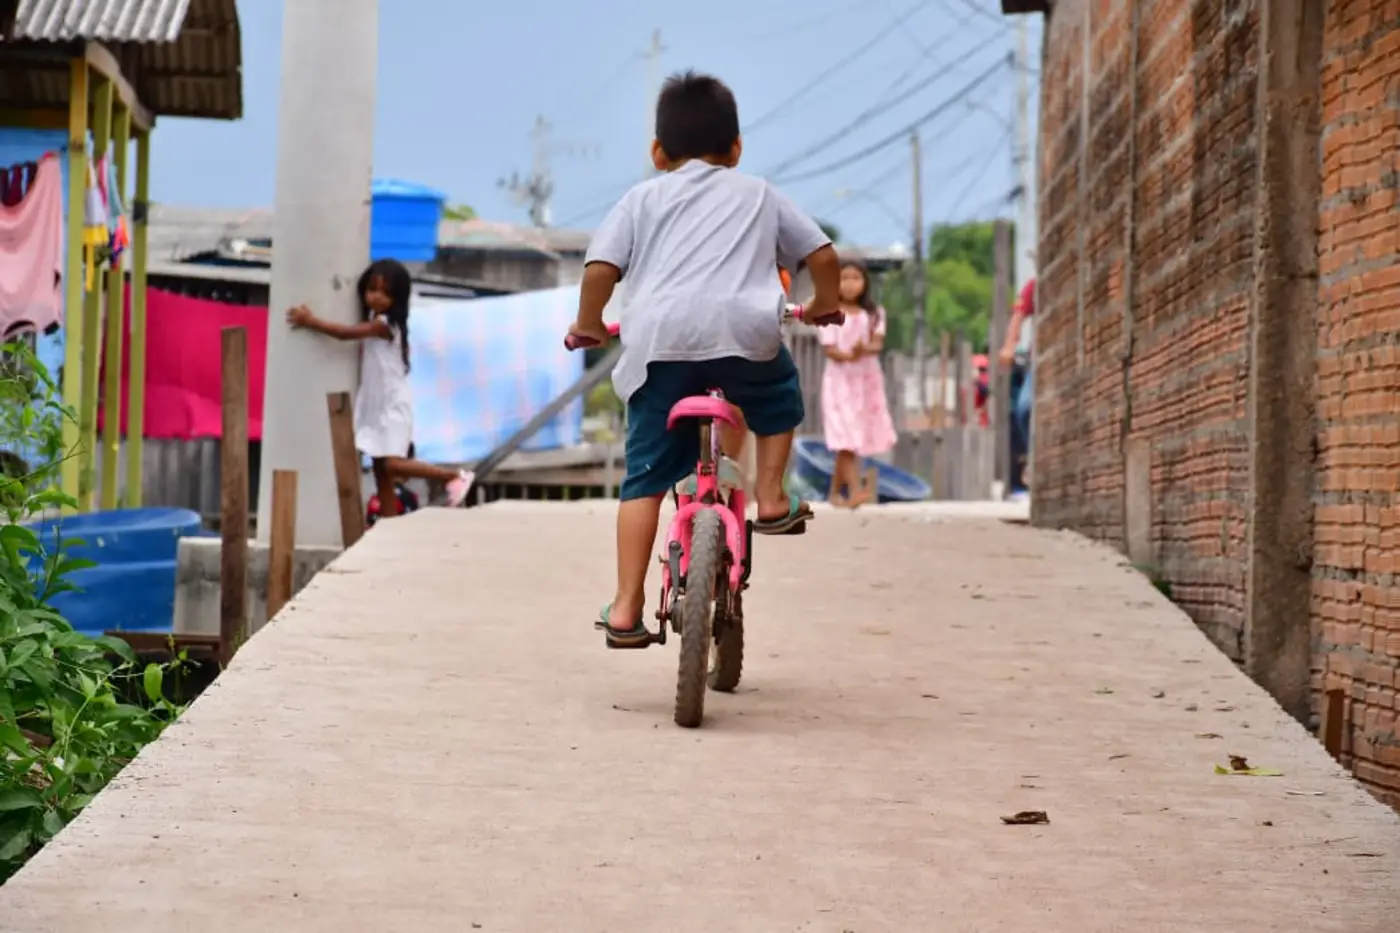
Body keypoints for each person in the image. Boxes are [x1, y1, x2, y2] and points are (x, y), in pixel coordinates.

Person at [567, 69, 843, 648]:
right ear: (736, 148)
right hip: (746, 337)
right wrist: (824, 303)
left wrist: (589, 324)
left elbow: (600, 270)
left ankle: (626, 606)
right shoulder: (760, 193)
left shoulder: (641, 199)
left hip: (661, 347)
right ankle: (772, 497)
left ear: (658, 152)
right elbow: (821, 252)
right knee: (778, 398)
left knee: (643, 480)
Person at [285, 258, 473, 516]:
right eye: (372, 290)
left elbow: (344, 334)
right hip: (377, 403)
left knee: (393, 465)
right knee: (380, 470)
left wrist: (311, 321)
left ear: (397, 298)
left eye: (385, 293)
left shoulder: (385, 324)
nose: (376, 297)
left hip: (392, 403)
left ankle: (452, 476)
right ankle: (388, 520)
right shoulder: (376, 319)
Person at [817, 259, 897, 507]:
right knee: (845, 436)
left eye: (856, 278)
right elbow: (830, 349)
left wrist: (863, 350)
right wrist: (849, 355)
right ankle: (855, 490)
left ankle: (834, 493)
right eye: (844, 278)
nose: (850, 284)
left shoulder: (874, 314)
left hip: (865, 382)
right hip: (839, 382)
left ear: (865, 282)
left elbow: (877, 344)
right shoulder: (828, 313)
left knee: (850, 440)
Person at [998, 277, 1035, 496]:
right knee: (1024, 408)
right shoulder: (1034, 286)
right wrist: (1009, 346)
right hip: (1038, 361)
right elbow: (1018, 316)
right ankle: (1033, 457)